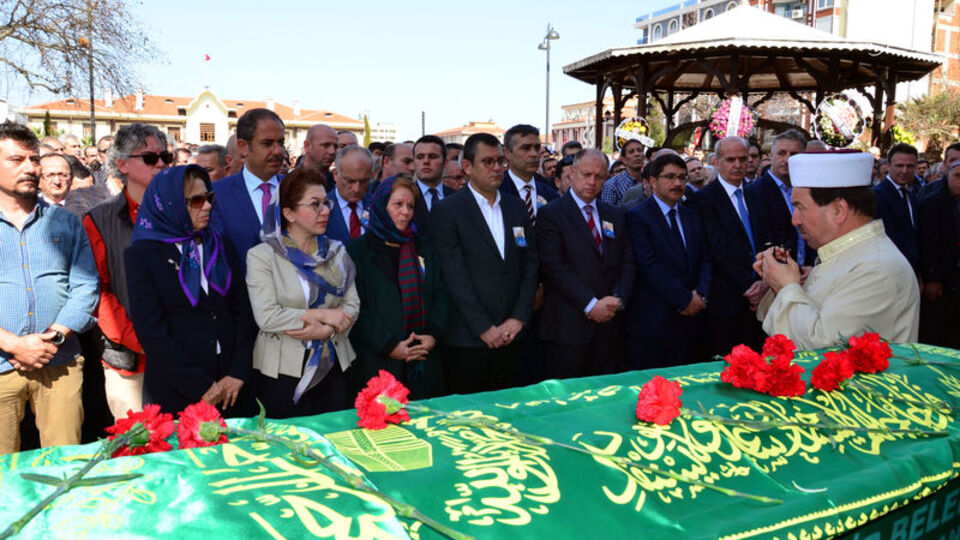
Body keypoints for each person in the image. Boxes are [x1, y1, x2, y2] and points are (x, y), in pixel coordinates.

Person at [0, 121, 98, 454]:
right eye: (17, 160)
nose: (30, 167)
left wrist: (53, 338)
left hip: (60, 362)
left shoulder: (66, 221)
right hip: (2, 367)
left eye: (33, 159)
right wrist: (13, 344)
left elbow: (86, 286)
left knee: (64, 466)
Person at [125, 165, 254, 416]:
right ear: (170, 204)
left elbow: (243, 312)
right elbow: (152, 333)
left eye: (209, 197)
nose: (206, 206)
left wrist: (238, 372)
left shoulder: (221, 244)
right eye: (196, 200)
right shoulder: (142, 255)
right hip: (178, 391)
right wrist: (201, 386)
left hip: (233, 387)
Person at [755, 152, 920, 348]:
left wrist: (786, 286)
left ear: (838, 210)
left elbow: (823, 348)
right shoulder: (848, 255)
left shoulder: (877, 269)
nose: (795, 220)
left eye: (801, 208)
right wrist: (780, 282)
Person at [245, 168, 360, 417]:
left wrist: (327, 329)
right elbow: (267, 315)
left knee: (337, 440)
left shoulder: (337, 252)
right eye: (315, 204)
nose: (326, 211)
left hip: (335, 365)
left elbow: (352, 305)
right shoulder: (262, 256)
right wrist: (324, 315)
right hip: (283, 373)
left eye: (326, 203)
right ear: (288, 213)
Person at [431, 133, 538, 393]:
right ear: (467, 167)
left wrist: (518, 318)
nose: (497, 168)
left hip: (513, 336)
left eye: (500, 161)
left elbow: (530, 264)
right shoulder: (448, 211)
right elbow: (454, 275)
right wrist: (484, 328)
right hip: (468, 340)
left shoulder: (516, 207)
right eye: (487, 162)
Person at [84, 123, 171, 421]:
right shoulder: (98, 219)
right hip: (129, 361)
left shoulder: (185, 213)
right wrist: (146, 341)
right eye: (149, 158)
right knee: (138, 450)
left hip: (181, 357)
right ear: (122, 164)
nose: (160, 164)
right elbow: (98, 292)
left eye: (165, 157)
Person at [347, 176, 446, 398]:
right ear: (382, 205)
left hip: (423, 358)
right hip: (378, 361)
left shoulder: (423, 246)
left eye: (411, 206)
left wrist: (433, 336)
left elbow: (440, 293)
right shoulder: (359, 251)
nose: (405, 212)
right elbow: (357, 307)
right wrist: (390, 346)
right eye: (398, 204)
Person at [537, 149, 633, 378]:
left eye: (599, 177)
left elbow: (627, 261)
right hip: (568, 328)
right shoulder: (551, 214)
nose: (592, 182)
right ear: (572, 172)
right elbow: (554, 267)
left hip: (609, 326)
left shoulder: (615, 214)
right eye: (586, 174)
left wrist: (618, 299)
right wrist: (591, 305)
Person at [626, 154, 712, 369]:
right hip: (655, 322)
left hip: (692, 320)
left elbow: (706, 258)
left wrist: (700, 294)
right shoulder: (637, 216)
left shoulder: (691, 215)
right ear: (653, 182)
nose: (677, 183)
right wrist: (684, 299)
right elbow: (649, 266)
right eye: (670, 177)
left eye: (682, 177)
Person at [688, 136, 765, 357]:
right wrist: (748, 287)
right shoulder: (703, 200)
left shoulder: (756, 193)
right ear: (717, 161)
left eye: (744, 158)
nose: (738, 165)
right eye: (731, 159)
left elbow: (766, 239)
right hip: (726, 300)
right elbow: (716, 249)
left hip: (762, 297)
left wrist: (763, 283)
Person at [211, 108, 287, 272]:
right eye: (267, 143)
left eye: (280, 143)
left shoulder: (297, 189)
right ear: (243, 147)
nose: (278, 151)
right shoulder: (217, 195)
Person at [747, 129, 814, 267]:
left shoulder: (810, 190)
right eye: (781, 153)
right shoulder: (753, 193)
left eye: (794, 154)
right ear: (771, 155)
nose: (787, 159)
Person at [918, 161, 960, 348]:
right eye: (957, 176)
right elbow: (928, 243)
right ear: (948, 176)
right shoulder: (933, 201)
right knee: (937, 331)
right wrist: (933, 278)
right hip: (941, 279)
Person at [873, 143, 920, 273]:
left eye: (910, 166)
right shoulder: (879, 194)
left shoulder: (911, 194)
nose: (905, 171)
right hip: (891, 269)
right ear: (888, 166)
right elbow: (886, 237)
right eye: (899, 165)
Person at [499, 124, 559, 224]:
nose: (534, 154)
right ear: (507, 153)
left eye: (537, 148)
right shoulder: (497, 191)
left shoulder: (550, 193)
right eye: (526, 148)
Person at [327, 145, 375, 243]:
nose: (356, 189)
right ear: (336, 174)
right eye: (350, 181)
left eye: (364, 181)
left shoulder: (378, 206)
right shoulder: (321, 207)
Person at [411, 135, 454, 237]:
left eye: (432, 156)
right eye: (420, 157)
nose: (425, 161)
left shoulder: (457, 198)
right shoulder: (405, 198)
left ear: (445, 162)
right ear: (414, 162)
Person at [601, 139, 645, 206]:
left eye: (639, 151)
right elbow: (607, 213)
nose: (637, 154)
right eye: (631, 152)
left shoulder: (650, 181)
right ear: (624, 160)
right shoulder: (613, 185)